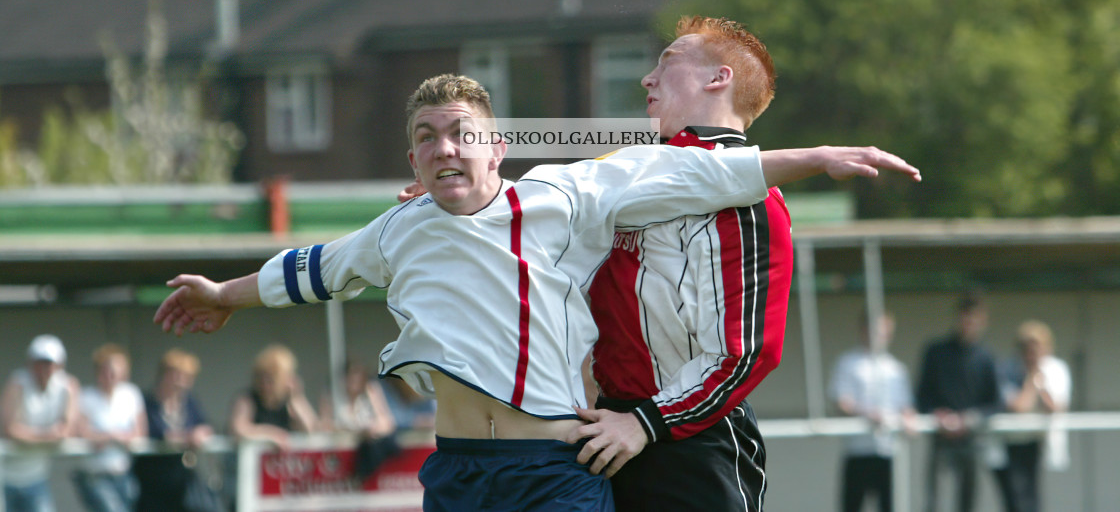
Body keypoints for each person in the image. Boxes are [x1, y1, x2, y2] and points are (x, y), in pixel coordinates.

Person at [155, 73, 921, 511]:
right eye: (426, 136)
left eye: (461, 131)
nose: (444, 146)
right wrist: (223, 291)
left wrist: (819, 155)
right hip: (454, 471)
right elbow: (313, 268)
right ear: (413, 158)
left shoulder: (560, 198)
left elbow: (697, 174)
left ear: (498, 146)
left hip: (552, 472)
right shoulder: (400, 228)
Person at [570, 16, 793, 512]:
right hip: (609, 431)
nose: (647, 79)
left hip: (688, 445)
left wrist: (645, 423)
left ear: (719, 79)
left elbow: (746, 354)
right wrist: (465, 198)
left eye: (667, 62)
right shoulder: (633, 171)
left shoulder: (751, 199)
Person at [916, 292, 1002, 512]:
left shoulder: (986, 357)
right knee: (933, 500)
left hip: (971, 438)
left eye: (974, 319)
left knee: (968, 500)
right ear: (957, 318)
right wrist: (937, 415)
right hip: (940, 436)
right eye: (965, 317)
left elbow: (996, 403)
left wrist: (969, 419)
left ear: (983, 321)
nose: (969, 323)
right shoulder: (936, 352)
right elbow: (921, 395)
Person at [829, 310, 916, 512]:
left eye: (886, 331)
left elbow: (905, 405)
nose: (882, 336)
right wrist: (868, 414)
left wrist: (909, 419)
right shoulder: (848, 362)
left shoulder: (896, 368)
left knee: (890, 505)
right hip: (858, 451)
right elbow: (841, 401)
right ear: (864, 330)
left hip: (888, 451)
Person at [993, 320, 1071, 512]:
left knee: (1031, 499)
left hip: (1035, 441)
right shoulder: (1007, 369)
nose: (1031, 354)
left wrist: (1040, 382)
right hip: (1009, 441)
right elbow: (1019, 406)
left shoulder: (1056, 369)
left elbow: (1055, 407)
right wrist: (1032, 379)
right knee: (1014, 500)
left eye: (1037, 348)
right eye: (1027, 349)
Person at [1, 334, 79, 512]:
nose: (44, 369)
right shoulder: (17, 383)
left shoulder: (67, 386)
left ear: (60, 365)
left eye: (49, 363)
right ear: (30, 363)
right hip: (4, 477)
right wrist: (49, 435)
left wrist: (29, 436)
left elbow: (67, 431)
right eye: (39, 362)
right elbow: (10, 430)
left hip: (37, 477)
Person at [133, 348, 217, 512]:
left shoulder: (189, 402)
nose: (180, 382)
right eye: (176, 375)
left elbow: (206, 425)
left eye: (187, 377)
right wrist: (185, 437)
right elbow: (154, 433)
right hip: (152, 481)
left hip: (181, 481)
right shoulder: (146, 402)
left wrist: (200, 433)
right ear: (163, 374)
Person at [72, 344, 147, 512]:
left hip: (124, 473)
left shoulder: (131, 394)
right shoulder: (86, 396)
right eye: (105, 370)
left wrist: (106, 437)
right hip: (95, 475)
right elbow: (81, 433)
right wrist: (113, 436)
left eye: (115, 370)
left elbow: (140, 432)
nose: (110, 375)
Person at [229, 345, 318, 451]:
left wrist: (296, 398)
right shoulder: (247, 399)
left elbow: (310, 430)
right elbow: (238, 430)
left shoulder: (290, 401)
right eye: (261, 377)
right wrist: (271, 435)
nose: (265, 384)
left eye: (271, 379)